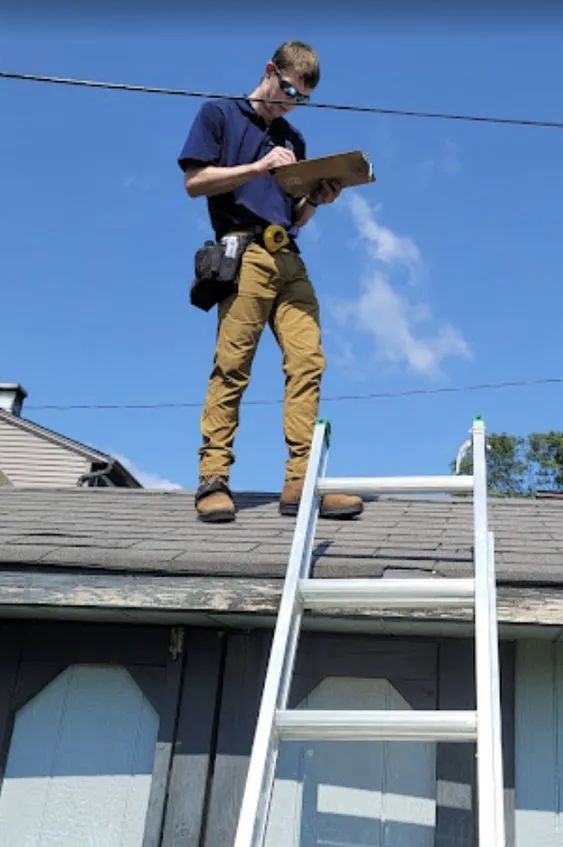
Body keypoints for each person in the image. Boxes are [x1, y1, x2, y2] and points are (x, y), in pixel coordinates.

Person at [178, 40, 364, 524]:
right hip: (244, 253)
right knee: (233, 363)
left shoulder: (294, 141)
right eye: (286, 90)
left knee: (308, 361)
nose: (289, 103)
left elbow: (294, 216)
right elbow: (195, 182)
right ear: (268, 71)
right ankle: (213, 479)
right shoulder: (219, 114)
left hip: (288, 255)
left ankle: (301, 483)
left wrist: (317, 199)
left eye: (299, 98)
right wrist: (259, 166)